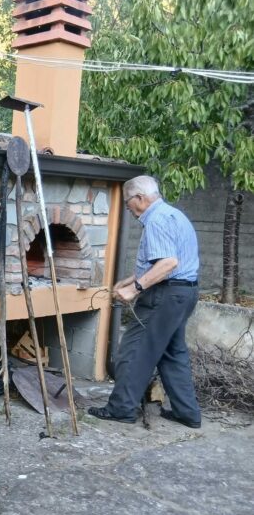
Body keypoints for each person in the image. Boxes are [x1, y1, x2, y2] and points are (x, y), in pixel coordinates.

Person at [88, 175, 202, 428]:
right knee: (173, 354)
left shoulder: (156, 220)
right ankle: (188, 413)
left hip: (165, 295)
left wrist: (135, 289)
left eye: (127, 202)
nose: (127, 207)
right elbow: (166, 261)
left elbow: (168, 263)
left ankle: (121, 409)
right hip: (185, 294)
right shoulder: (173, 215)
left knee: (134, 350)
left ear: (140, 198)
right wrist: (131, 280)